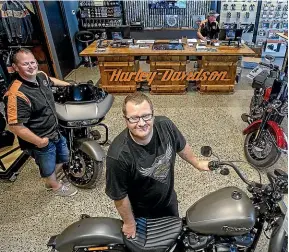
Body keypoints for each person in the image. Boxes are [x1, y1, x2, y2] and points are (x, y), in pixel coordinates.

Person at [105, 92, 210, 239]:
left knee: (173, 242)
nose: (141, 123)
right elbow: (119, 196)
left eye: (146, 116)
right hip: (142, 215)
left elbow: (181, 145)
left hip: (169, 202)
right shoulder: (118, 156)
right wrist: (129, 223)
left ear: (153, 115)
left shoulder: (165, 126)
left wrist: (197, 163)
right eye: (134, 118)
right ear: (125, 120)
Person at [3, 48, 77, 197]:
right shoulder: (16, 94)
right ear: (16, 67)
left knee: (64, 155)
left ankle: (52, 178)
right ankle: (54, 185)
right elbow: (15, 126)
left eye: (33, 62)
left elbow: (50, 80)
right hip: (39, 138)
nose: (31, 66)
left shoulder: (40, 76)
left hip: (54, 130)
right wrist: (39, 141)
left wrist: (69, 85)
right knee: (47, 166)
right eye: (25, 64)